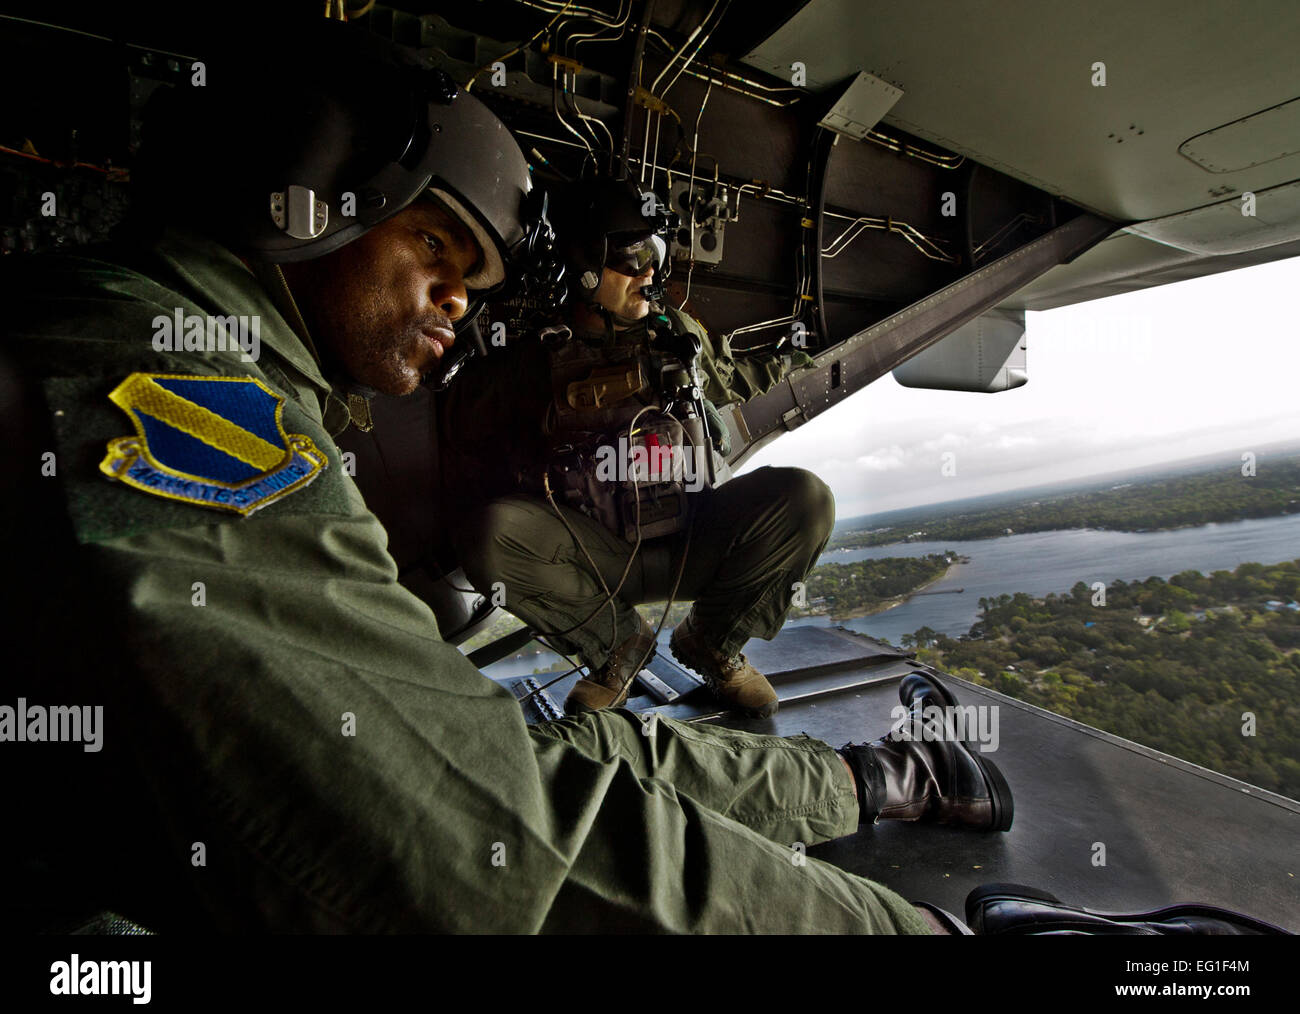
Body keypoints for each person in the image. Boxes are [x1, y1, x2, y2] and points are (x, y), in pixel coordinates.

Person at [0, 20, 1010, 935]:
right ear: (303, 188)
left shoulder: (175, 348)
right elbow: (470, 842)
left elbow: (495, 773)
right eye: (435, 244)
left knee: (579, 727)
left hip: (665, 539)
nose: (452, 302)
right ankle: (675, 680)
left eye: (474, 281)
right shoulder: (149, 382)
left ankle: (857, 769)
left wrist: (847, 780)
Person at [439, 177, 829, 718]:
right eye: (632, 255)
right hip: (595, 556)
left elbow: (736, 376)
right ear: (585, 265)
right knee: (489, 534)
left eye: (657, 254)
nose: (649, 272)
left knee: (805, 498)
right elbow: (466, 435)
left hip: (688, 538)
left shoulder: (679, 335)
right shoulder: (532, 361)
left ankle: (712, 644)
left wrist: (804, 354)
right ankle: (618, 646)